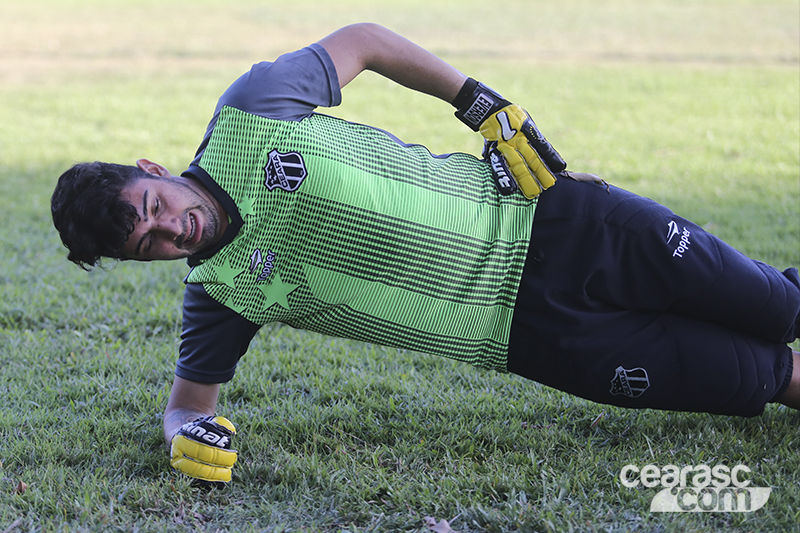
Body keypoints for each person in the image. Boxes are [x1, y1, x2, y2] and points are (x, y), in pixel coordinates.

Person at [50, 23, 800, 486]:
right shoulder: (220, 292)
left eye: (152, 209)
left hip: (561, 222)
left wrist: (480, 103)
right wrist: (185, 435)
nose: (168, 231)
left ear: (152, 171)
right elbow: (187, 402)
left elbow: (367, 42)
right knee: (768, 373)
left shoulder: (251, 110)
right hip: (540, 339)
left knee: (780, 304)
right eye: (146, 244)